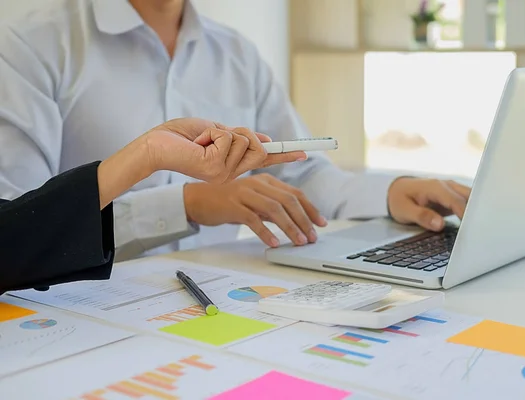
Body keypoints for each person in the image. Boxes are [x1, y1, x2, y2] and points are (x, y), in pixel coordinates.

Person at [0, 0, 471, 261]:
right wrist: (187, 204)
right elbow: (20, 221)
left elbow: (303, 176)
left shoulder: (236, 54)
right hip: (78, 314)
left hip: (213, 303)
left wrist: (393, 191)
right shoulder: (32, 43)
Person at [0, 118, 305, 294]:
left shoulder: (239, 51)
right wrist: (150, 156)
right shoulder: (37, 42)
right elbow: (21, 231)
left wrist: (150, 151)